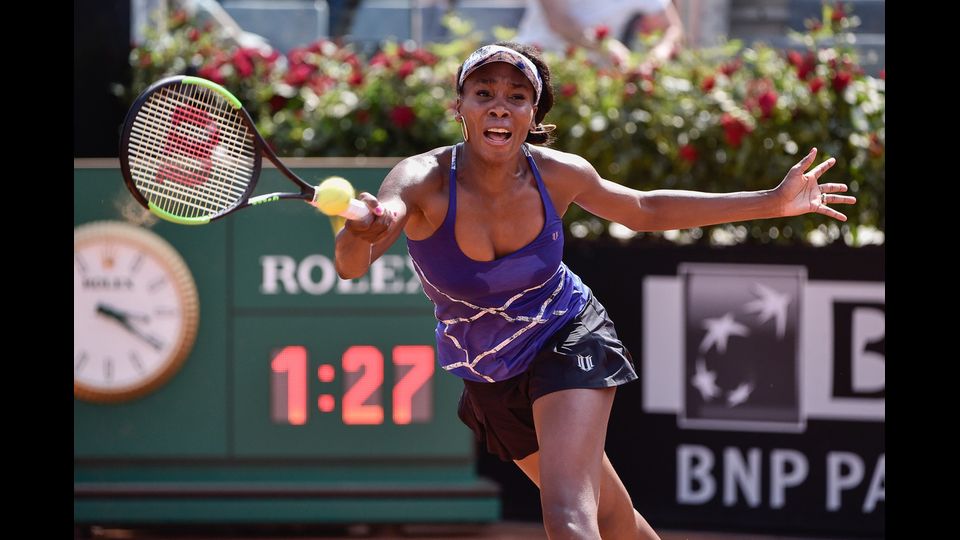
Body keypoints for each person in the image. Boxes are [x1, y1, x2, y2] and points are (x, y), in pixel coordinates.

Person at [334, 42, 854, 540]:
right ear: (460, 108)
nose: (500, 107)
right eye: (484, 93)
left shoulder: (560, 174)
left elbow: (644, 209)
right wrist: (361, 231)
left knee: (568, 518)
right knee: (611, 516)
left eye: (517, 96)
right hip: (488, 373)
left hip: (566, 335)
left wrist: (771, 202)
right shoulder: (420, 179)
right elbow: (351, 264)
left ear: (532, 116)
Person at [514, 0, 684, 71]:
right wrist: (605, 45)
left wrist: (656, 56)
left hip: (596, 81)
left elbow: (673, 28)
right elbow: (559, 21)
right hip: (534, 66)